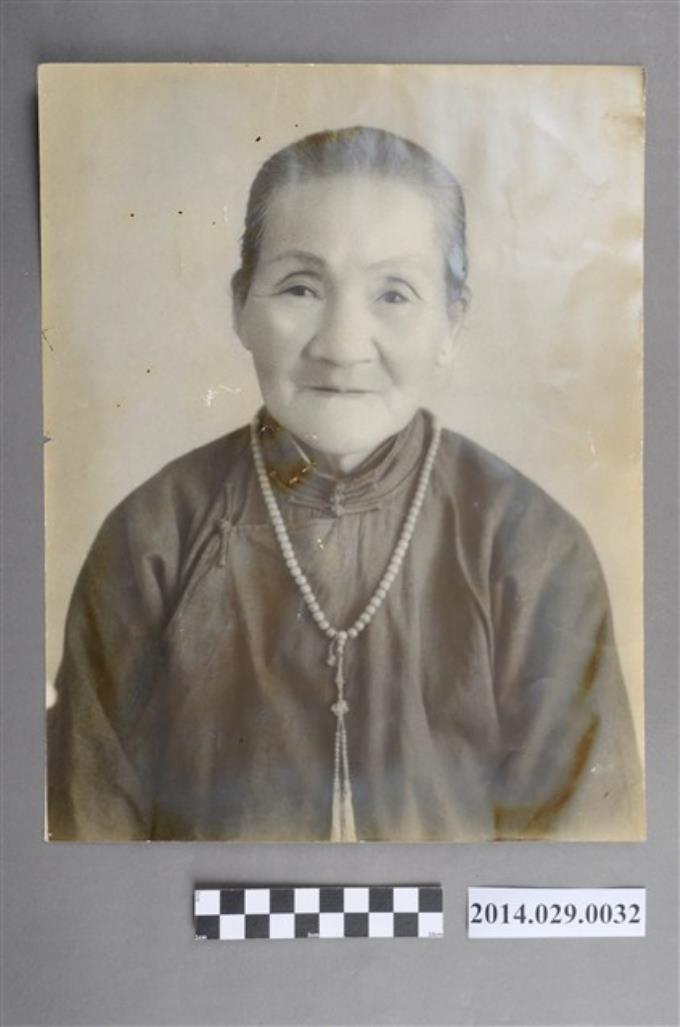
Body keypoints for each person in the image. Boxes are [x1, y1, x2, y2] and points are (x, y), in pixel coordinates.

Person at [47, 125, 643, 842]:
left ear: (452, 322)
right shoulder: (152, 541)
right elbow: (84, 845)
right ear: (241, 306)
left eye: (395, 294)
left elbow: (582, 861)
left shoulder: (532, 550)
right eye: (301, 287)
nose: (342, 344)